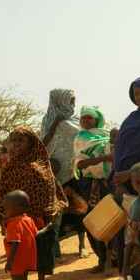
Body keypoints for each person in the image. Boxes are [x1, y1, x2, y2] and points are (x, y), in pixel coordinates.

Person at [0, 126, 66, 280]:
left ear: (31, 143)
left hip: (38, 219)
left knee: (41, 255)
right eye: (14, 140)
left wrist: (48, 223)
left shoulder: (41, 165)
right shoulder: (10, 166)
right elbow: (2, 193)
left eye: (21, 140)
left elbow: (49, 193)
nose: (16, 144)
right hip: (14, 221)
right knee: (16, 257)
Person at [41, 88, 82, 258]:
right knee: (55, 211)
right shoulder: (48, 119)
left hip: (74, 170)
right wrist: (55, 124)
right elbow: (43, 143)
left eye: (73, 100)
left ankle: (82, 245)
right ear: (59, 101)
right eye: (70, 100)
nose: (73, 104)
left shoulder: (77, 119)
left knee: (79, 208)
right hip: (54, 170)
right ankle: (55, 246)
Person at [72, 106, 114, 273]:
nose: (86, 121)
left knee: (109, 221)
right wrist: (87, 163)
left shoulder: (107, 135)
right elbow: (78, 160)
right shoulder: (79, 138)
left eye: (89, 118)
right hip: (88, 185)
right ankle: (101, 259)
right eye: (84, 118)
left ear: (97, 120)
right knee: (92, 222)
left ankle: (111, 260)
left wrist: (90, 162)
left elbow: (112, 156)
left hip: (106, 184)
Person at [1, 190, 37, 280]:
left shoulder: (14, 224)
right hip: (26, 257)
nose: (5, 212)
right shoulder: (28, 219)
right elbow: (36, 234)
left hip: (17, 260)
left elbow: (15, 243)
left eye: (7, 209)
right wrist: (47, 228)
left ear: (19, 209)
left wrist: (10, 262)